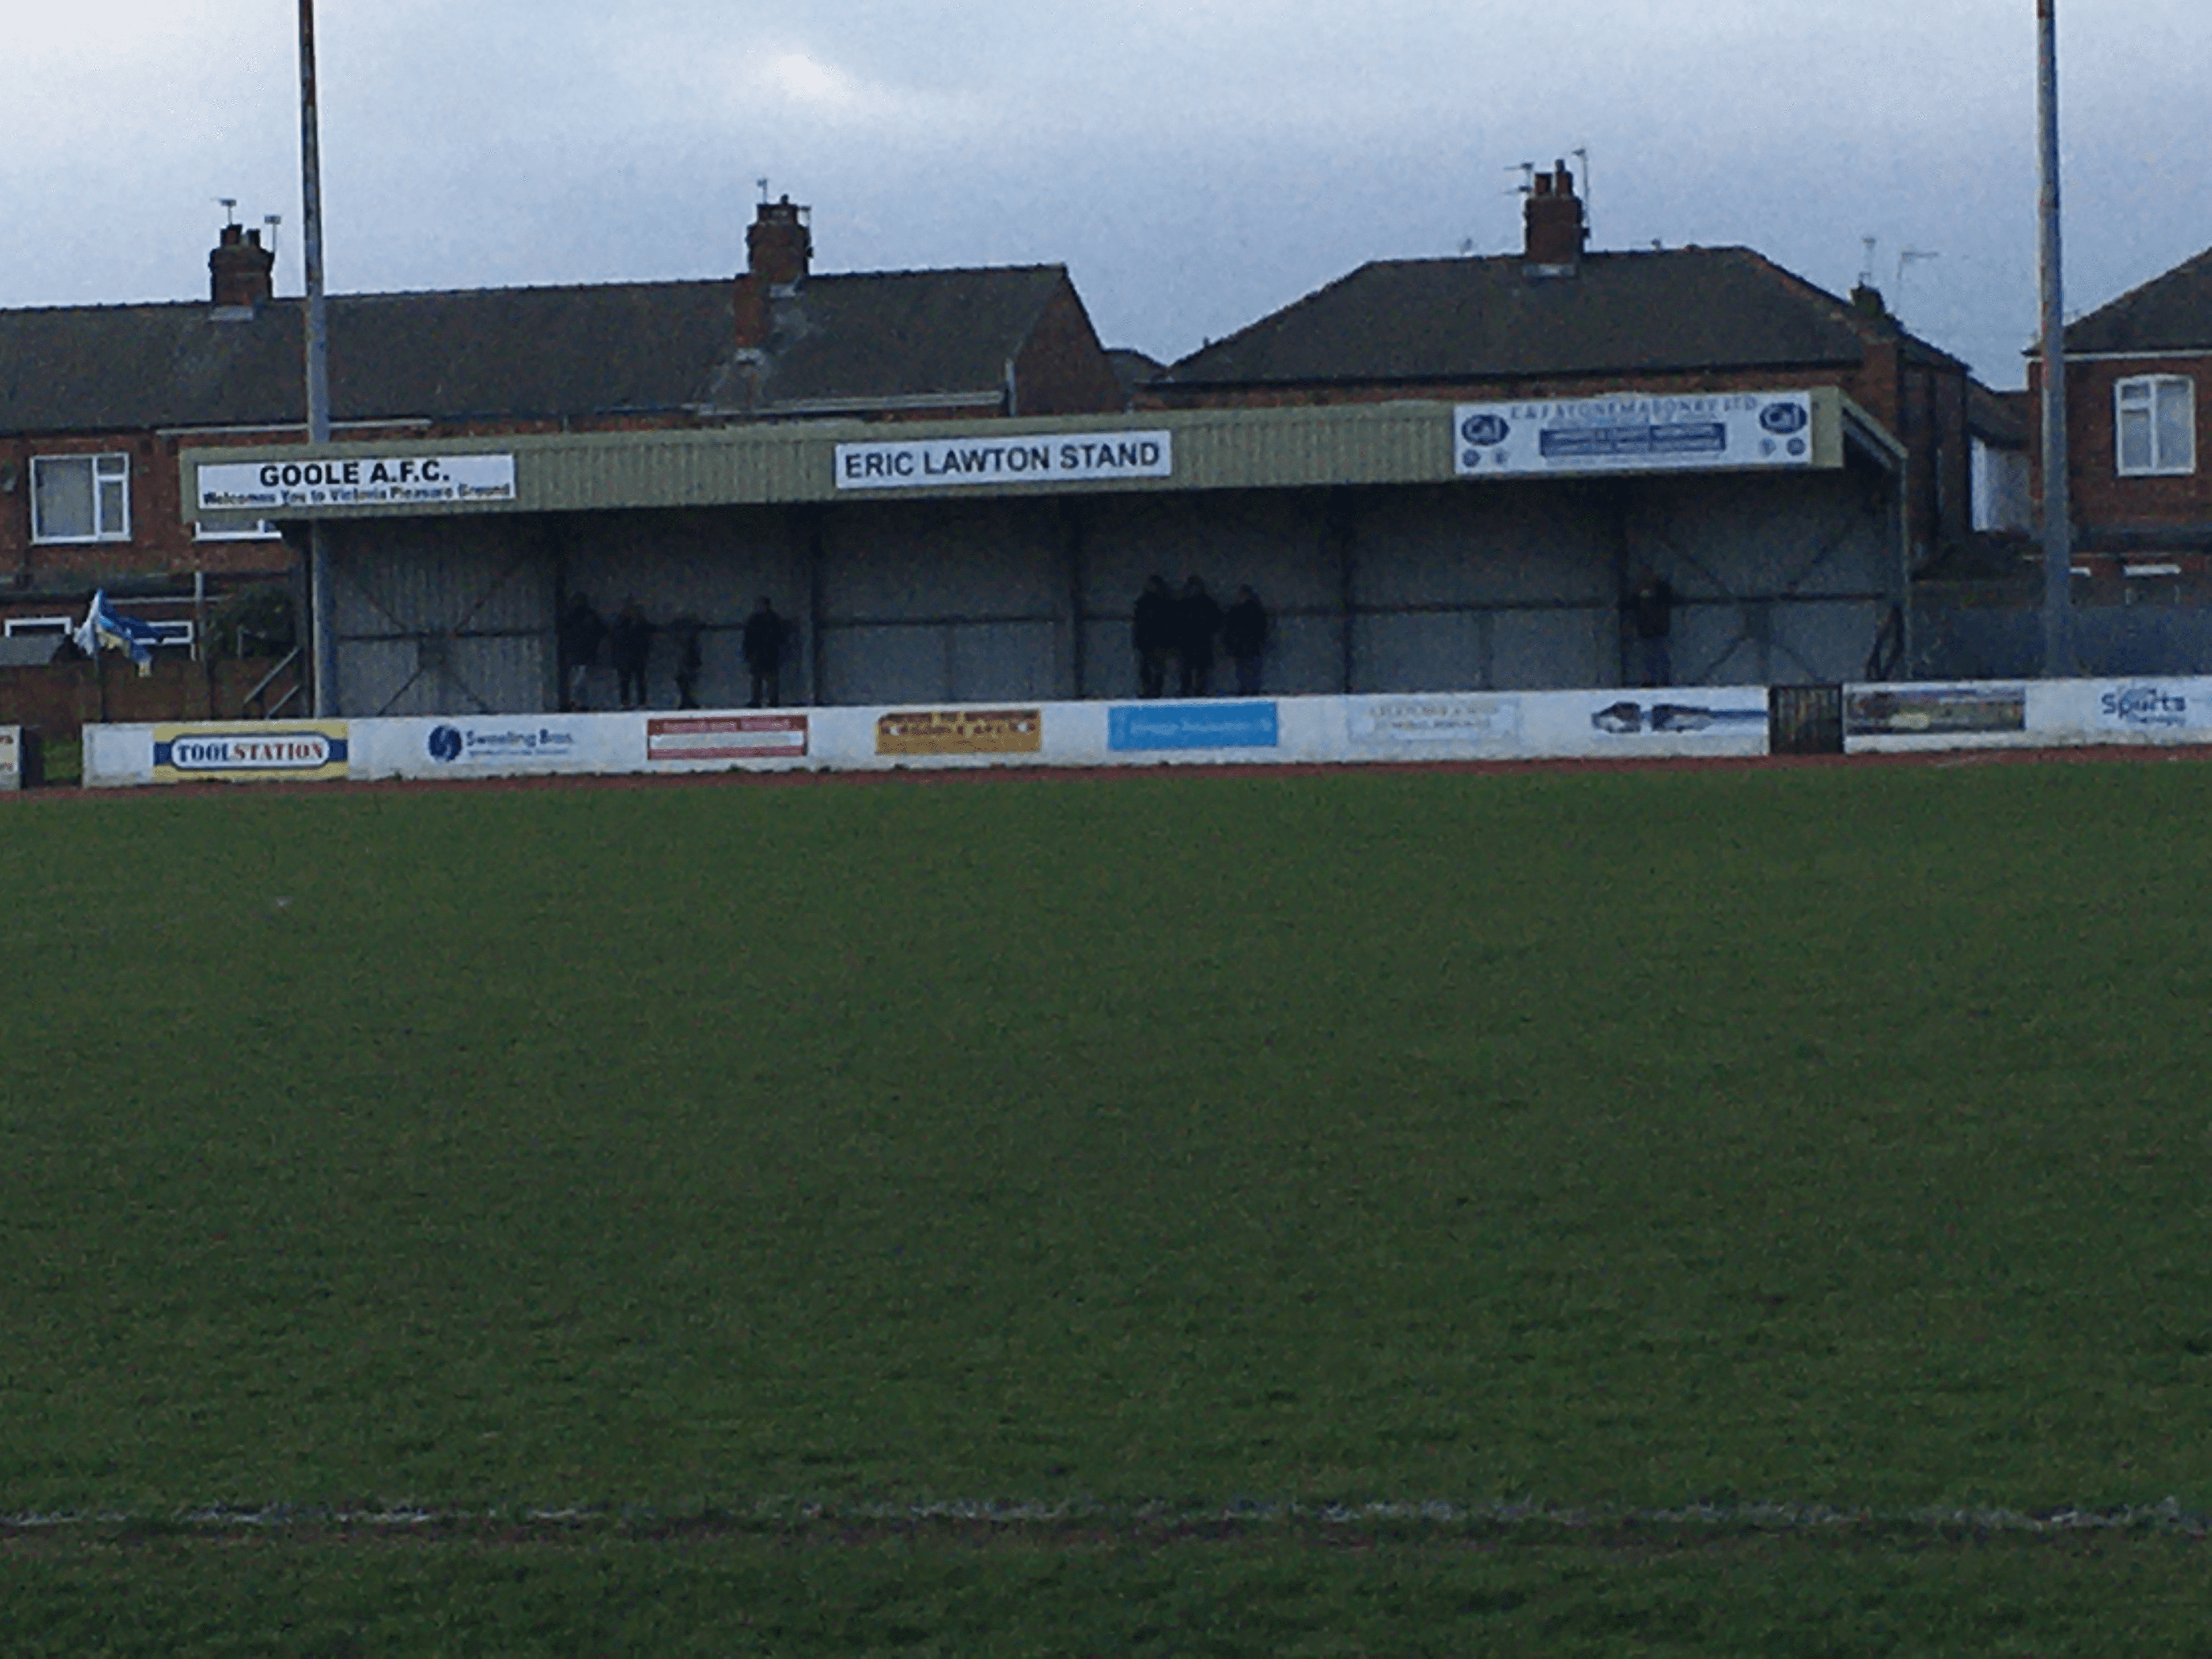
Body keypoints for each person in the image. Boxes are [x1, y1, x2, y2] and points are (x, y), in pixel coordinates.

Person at [1624, 569, 1675, 688]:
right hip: (1646, 633)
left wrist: (1655, 581)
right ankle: (1650, 682)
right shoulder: (1641, 598)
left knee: (1662, 659)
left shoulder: (1661, 595)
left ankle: (1663, 682)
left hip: (1660, 632)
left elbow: (1667, 592)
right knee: (1648, 660)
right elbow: (1631, 604)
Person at [1173, 575, 1222, 698]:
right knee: (1186, 671)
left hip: (1202, 643)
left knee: (1202, 670)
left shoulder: (1207, 604)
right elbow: (1176, 624)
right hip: (1187, 644)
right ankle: (1186, 691)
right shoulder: (1183, 605)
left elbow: (1216, 622)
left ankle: (1200, 692)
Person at [556, 593, 606, 711]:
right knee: (579, 681)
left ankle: (581, 703)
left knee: (582, 681)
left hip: (585, 654)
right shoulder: (575, 618)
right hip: (579, 655)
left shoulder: (585, 617)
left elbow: (602, 631)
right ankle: (578, 703)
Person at [1131, 574, 1175, 698]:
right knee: (1145, 669)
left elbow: (1169, 623)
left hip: (1159, 641)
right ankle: (1147, 690)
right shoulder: (1143, 603)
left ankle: (1156, 690)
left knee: (1157, 668)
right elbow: (1138, 623)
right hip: (1146, 641)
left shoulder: (1164, 603)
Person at [742, 595, 787, 709]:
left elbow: (780, 637)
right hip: (757, 654)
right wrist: (748, 652)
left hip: (770, 653)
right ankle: (756, 699)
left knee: (772, 678)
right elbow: (748, 638)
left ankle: (773, 699)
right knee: (757, 678)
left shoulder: (774, 620)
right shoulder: (753, 620)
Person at [1222, 585, 1268, 696]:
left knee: (1251, 671)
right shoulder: (1237, 611)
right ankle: (1247, 690)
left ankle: (1251, 691)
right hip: (1241, 648)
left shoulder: (1254, 611)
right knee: (1243, 671)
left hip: (1250, 647)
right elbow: (1229, 629)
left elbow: (1261, 629)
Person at [609, 597, 654, 710]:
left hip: (638, 656)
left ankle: (642, 702)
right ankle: (625, 702)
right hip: (625, 657)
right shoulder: (621, 623)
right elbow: (616, 638)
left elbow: (648, 637)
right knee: (625, 680)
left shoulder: (642, 623)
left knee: (640, 679)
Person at [665, 612, 703, 709]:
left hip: (686, 662)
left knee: (687, 680)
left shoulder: (685, 640)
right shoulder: (685, 640)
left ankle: (688, 700)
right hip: (685, 662)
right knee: (685, 680)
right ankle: (686, 700)